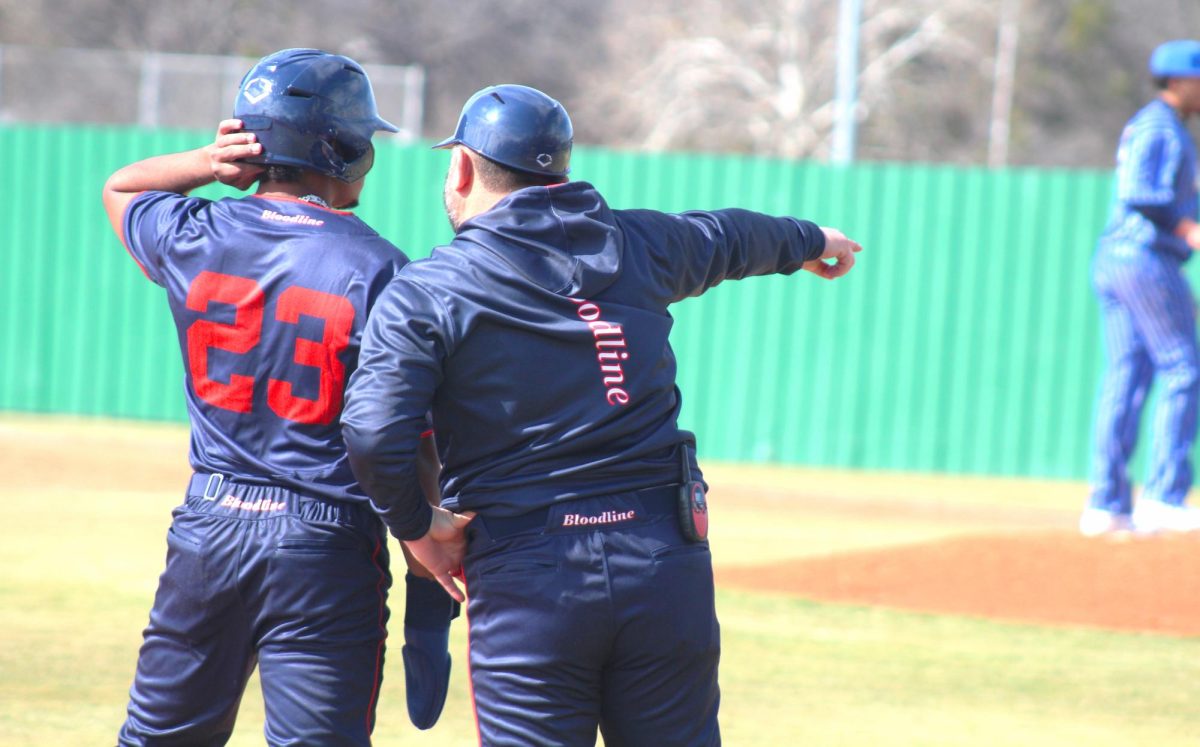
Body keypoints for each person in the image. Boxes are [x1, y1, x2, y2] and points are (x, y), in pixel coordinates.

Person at [341, 83, 861, 745]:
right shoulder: (640, 241)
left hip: (529, 571)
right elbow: (728, 237)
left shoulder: (430, 288)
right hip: (663, 558)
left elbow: (374, 431)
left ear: (464, 169)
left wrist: (418, 526)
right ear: (558, 167)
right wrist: (811, 238)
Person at [102, 48, 457, 745]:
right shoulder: (381, 268)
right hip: (325, 541)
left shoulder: (195, 233)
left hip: (211, 522)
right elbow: (409, 438)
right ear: (345, 149)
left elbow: (122, 188)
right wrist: (425, 579)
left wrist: (211, 163)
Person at [1083, 40, 1200, 536]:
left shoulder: (1159, 125)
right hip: (1144, 259)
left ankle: (1107, 505)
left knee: (1127, 378)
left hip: (1120, 258)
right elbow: (1138, 190)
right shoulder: (1160, 126)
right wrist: (1186, 228)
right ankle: (1164, 497)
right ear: (1178, 81)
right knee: (1183, 368)